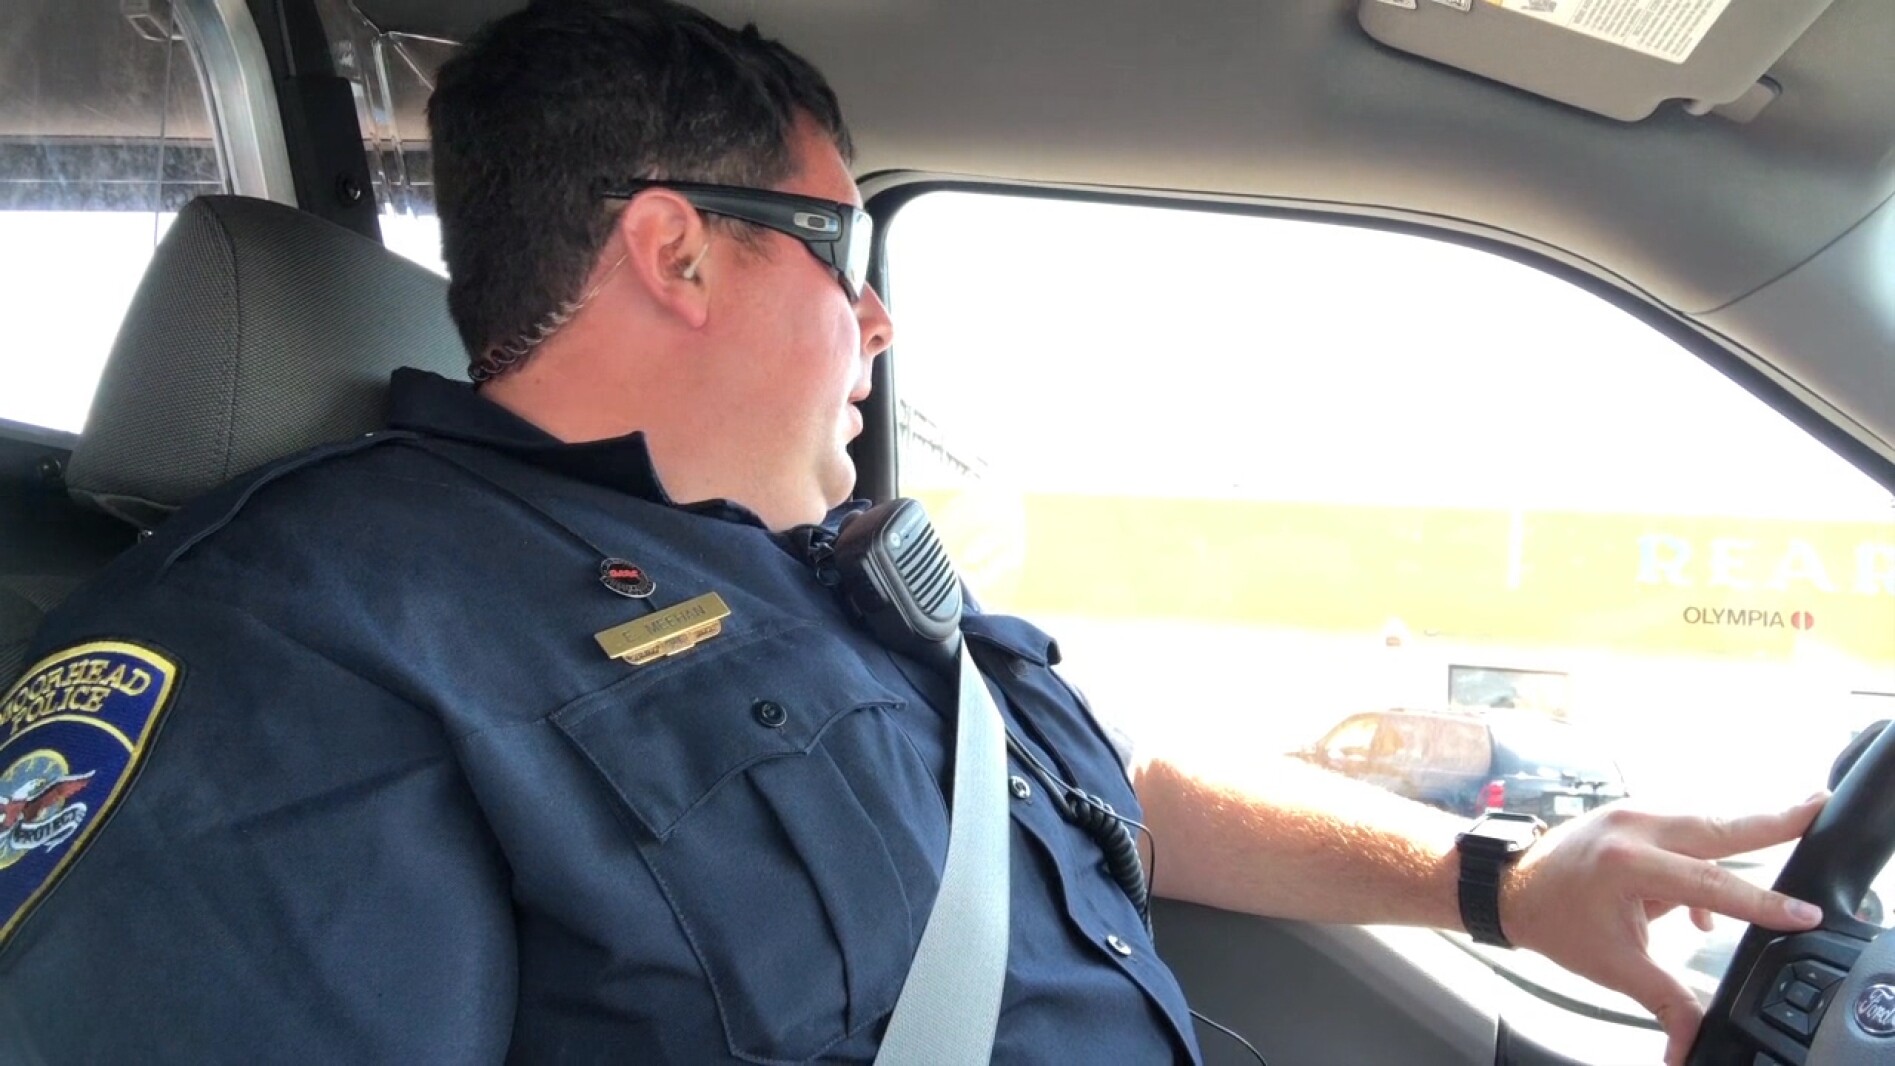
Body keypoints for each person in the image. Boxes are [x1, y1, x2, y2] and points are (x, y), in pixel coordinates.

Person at [0, 2, 1828, 1063]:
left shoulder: (832, 567)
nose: (876, 323)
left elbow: (1091, 776)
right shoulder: (296, 649)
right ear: (678, 249)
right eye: (844, 252)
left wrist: (1502, 880)